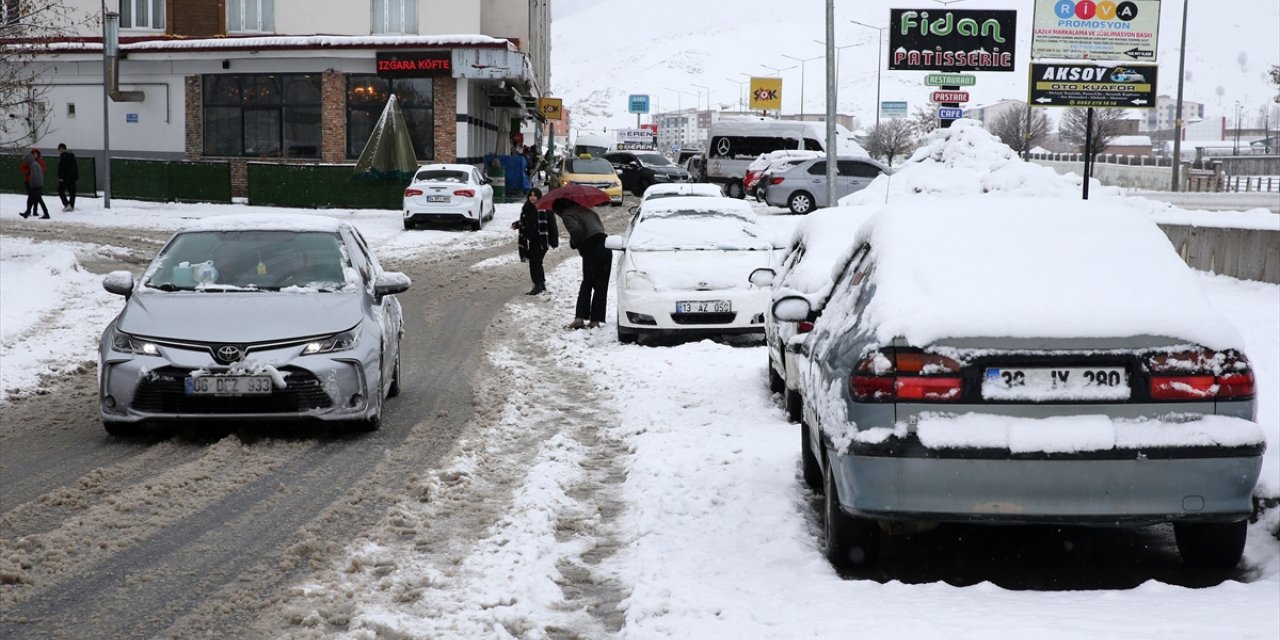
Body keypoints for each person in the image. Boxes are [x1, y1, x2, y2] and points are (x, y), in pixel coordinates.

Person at [552, 198, 610, 329]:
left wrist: (574, 243)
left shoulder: (567, 214)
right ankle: (596, 320)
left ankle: (579, 318)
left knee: (587, 283)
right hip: (606, 246)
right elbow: (600, 228)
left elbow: (576, 231)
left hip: (592, 248)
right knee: (601, 285)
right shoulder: (588, 211)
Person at [512, 188, 558, 295]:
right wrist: (517, 224)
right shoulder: (527, 208)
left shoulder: (545, 208)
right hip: (532, 240)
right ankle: (540, 284)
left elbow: (552, 225)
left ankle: (538, 285)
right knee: (536, 262)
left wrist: (554, 241)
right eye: (530, 195)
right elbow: (527, 222)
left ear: (539, 196)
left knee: (535, 262)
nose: (532, 198)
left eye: (535, 195)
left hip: (542, 241)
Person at [18, 147, 49, 219]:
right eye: (34, 154)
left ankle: (35, 212)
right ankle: (29, 212)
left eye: (36, 153)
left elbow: (39, 172)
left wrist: (29, 174)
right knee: (33, 197)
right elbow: (22, 168)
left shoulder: (34, 164)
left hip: (34, 183)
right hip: (34, 183)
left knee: (35, 198)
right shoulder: (35, 163)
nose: (35, 155)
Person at [57, 143, 78, 212]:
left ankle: (67, 205)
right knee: (72, 192)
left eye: (61, 149)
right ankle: (70, 205)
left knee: (61, 191)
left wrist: (61, 177)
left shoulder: (64, 157)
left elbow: (63, 168)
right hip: (71, 178)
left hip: (66, 178)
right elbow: (74, 167)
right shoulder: (70, 156)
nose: (61, 150)